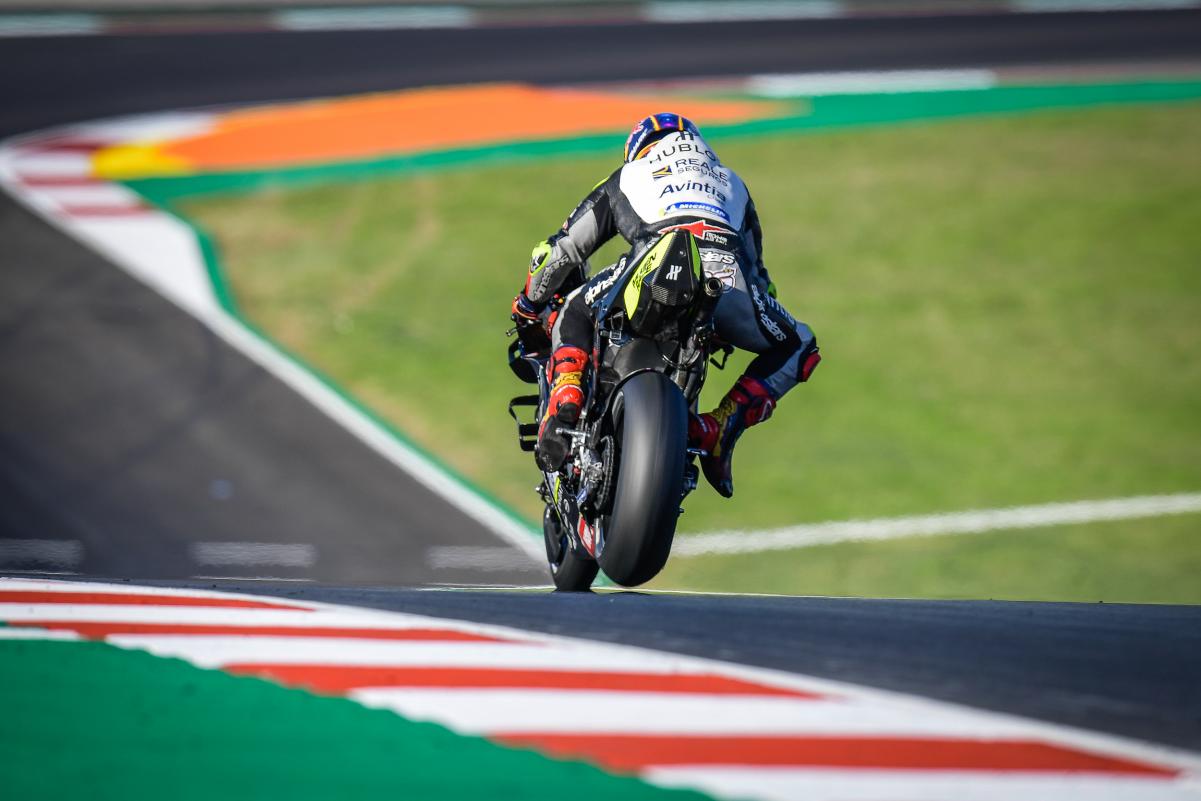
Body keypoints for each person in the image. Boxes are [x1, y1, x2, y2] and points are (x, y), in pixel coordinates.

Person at [511, 112, 820, 498]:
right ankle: (724, 424)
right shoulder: (732, 182)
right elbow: (761, 280)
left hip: (652, 264)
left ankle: (567, 393)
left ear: (636, 150)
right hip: (726, 281)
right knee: (801, 344)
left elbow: (562, 249)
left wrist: (526, 304)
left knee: (575, 308)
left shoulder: (630, 174)